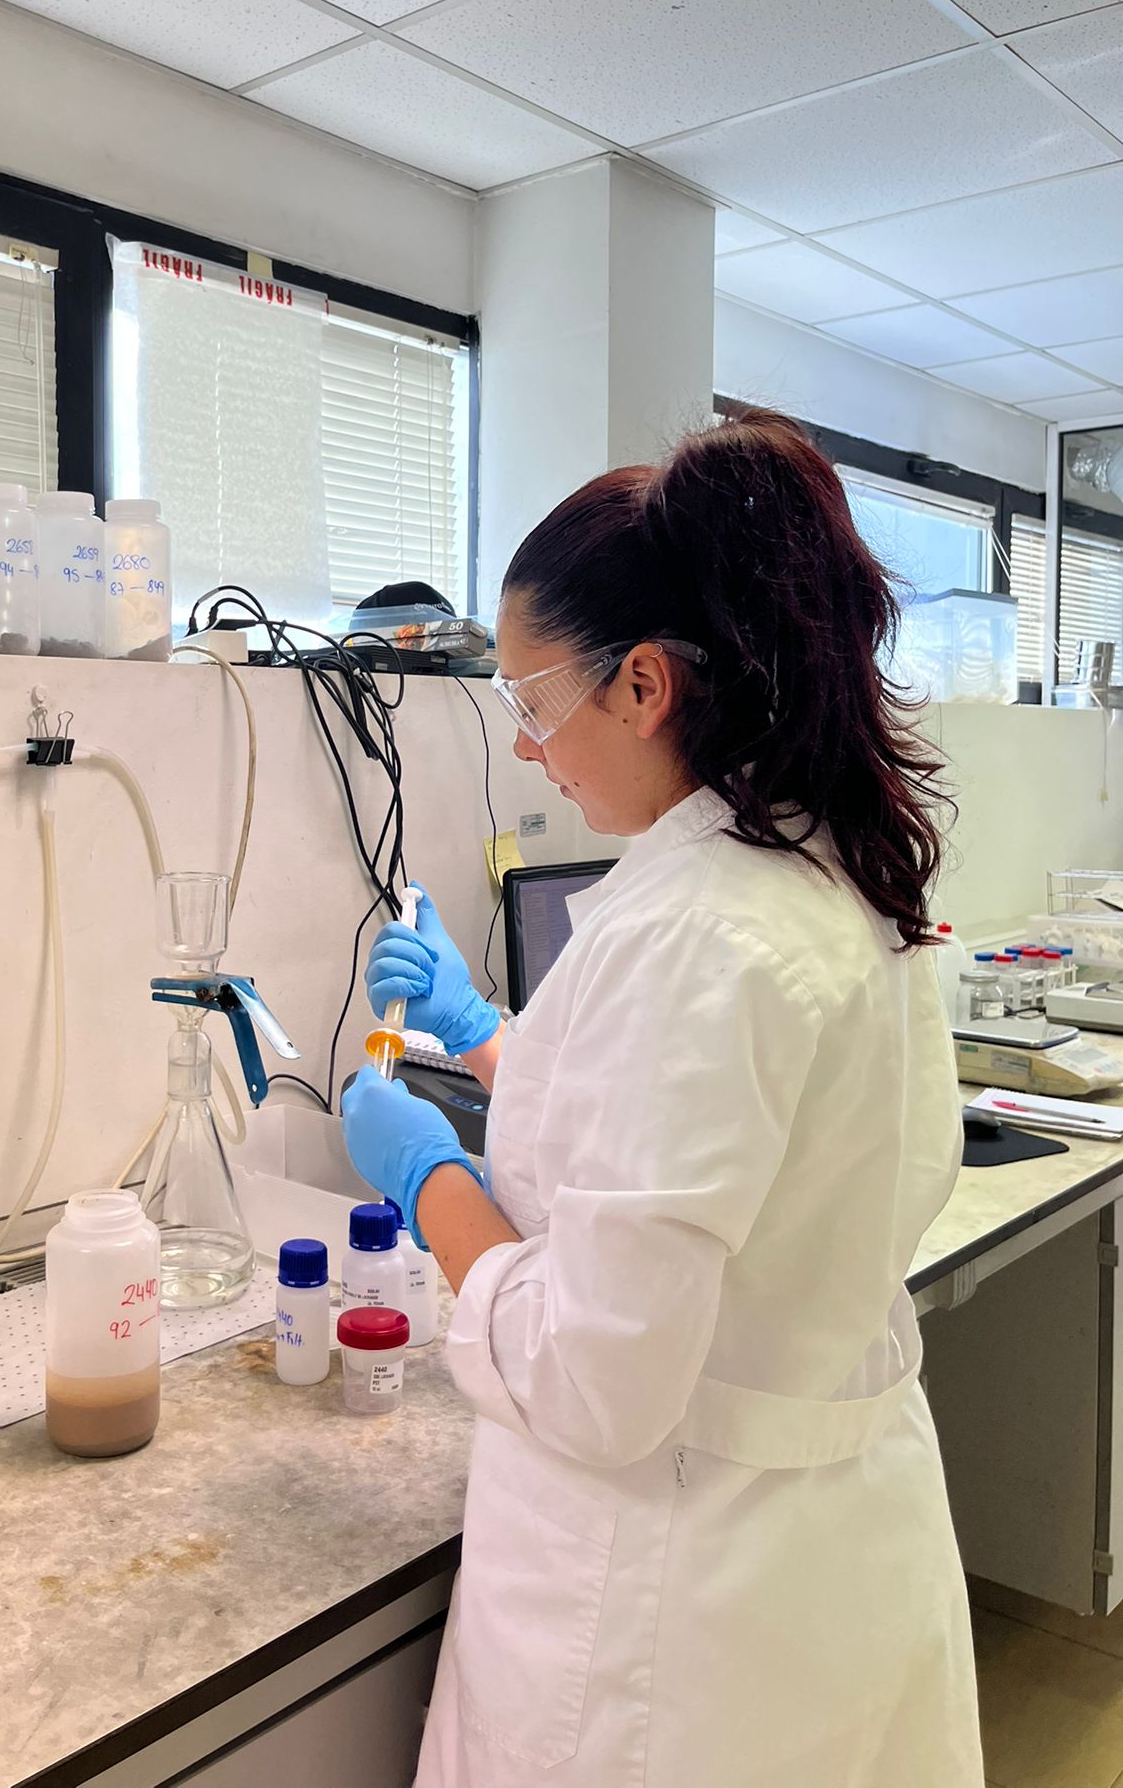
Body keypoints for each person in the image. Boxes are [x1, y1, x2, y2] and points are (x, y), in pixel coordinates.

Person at [341, 410, 982, 1788]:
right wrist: (485, 1036)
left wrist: (430, 1182)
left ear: (642, 685)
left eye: (531, 703)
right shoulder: (817, 862)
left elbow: (595, 1376)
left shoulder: (702, 932)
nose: (528, 749)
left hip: (675, 1613)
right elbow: (699, 1145)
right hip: (825, 1554)